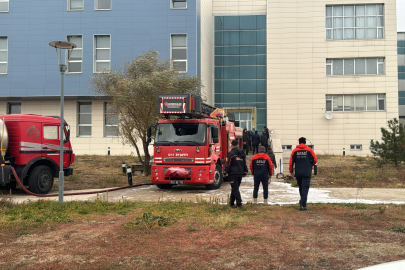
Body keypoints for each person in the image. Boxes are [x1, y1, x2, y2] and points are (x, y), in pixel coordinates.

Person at [289, 137, 318, 211]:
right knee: (305, 188)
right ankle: (303, 204)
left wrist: (291, 171)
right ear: (305, 142)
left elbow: (291, 162)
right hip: (306, 172)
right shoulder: (309, 150)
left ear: (299, 142)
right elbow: (315, 159)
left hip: (298, 172)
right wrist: (310, 164)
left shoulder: (295, 151)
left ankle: (302, 201)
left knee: (301, 187)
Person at [224, 140, 248, 208]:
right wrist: (245, 171)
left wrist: (225, 172)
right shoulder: (242, 153)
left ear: (231, 145)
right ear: (238, 145)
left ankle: (239, 203)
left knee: (235, 189)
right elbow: (244, 163)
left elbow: (228, 164)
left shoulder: (231, 154)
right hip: (240, 173)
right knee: (235, 188)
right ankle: (231, 203)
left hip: (233, 174)